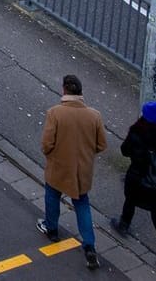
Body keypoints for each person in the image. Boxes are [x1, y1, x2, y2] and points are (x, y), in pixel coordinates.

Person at [41, 73, 106, 270]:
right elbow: (101, 144)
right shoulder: (94, 116)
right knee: (82, 204)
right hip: (82, 171)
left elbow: (46, 144)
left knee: (52, 195)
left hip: (59, 167)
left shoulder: (55, 113)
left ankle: (51, 229)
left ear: (64, 90)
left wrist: (53, 154)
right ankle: (89, 246)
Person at [115, 100, 156, 233]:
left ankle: (123, 225)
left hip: (136, 176)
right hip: (153, 180)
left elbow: (124, 150)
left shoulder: (137, 132)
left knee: (130, 200)